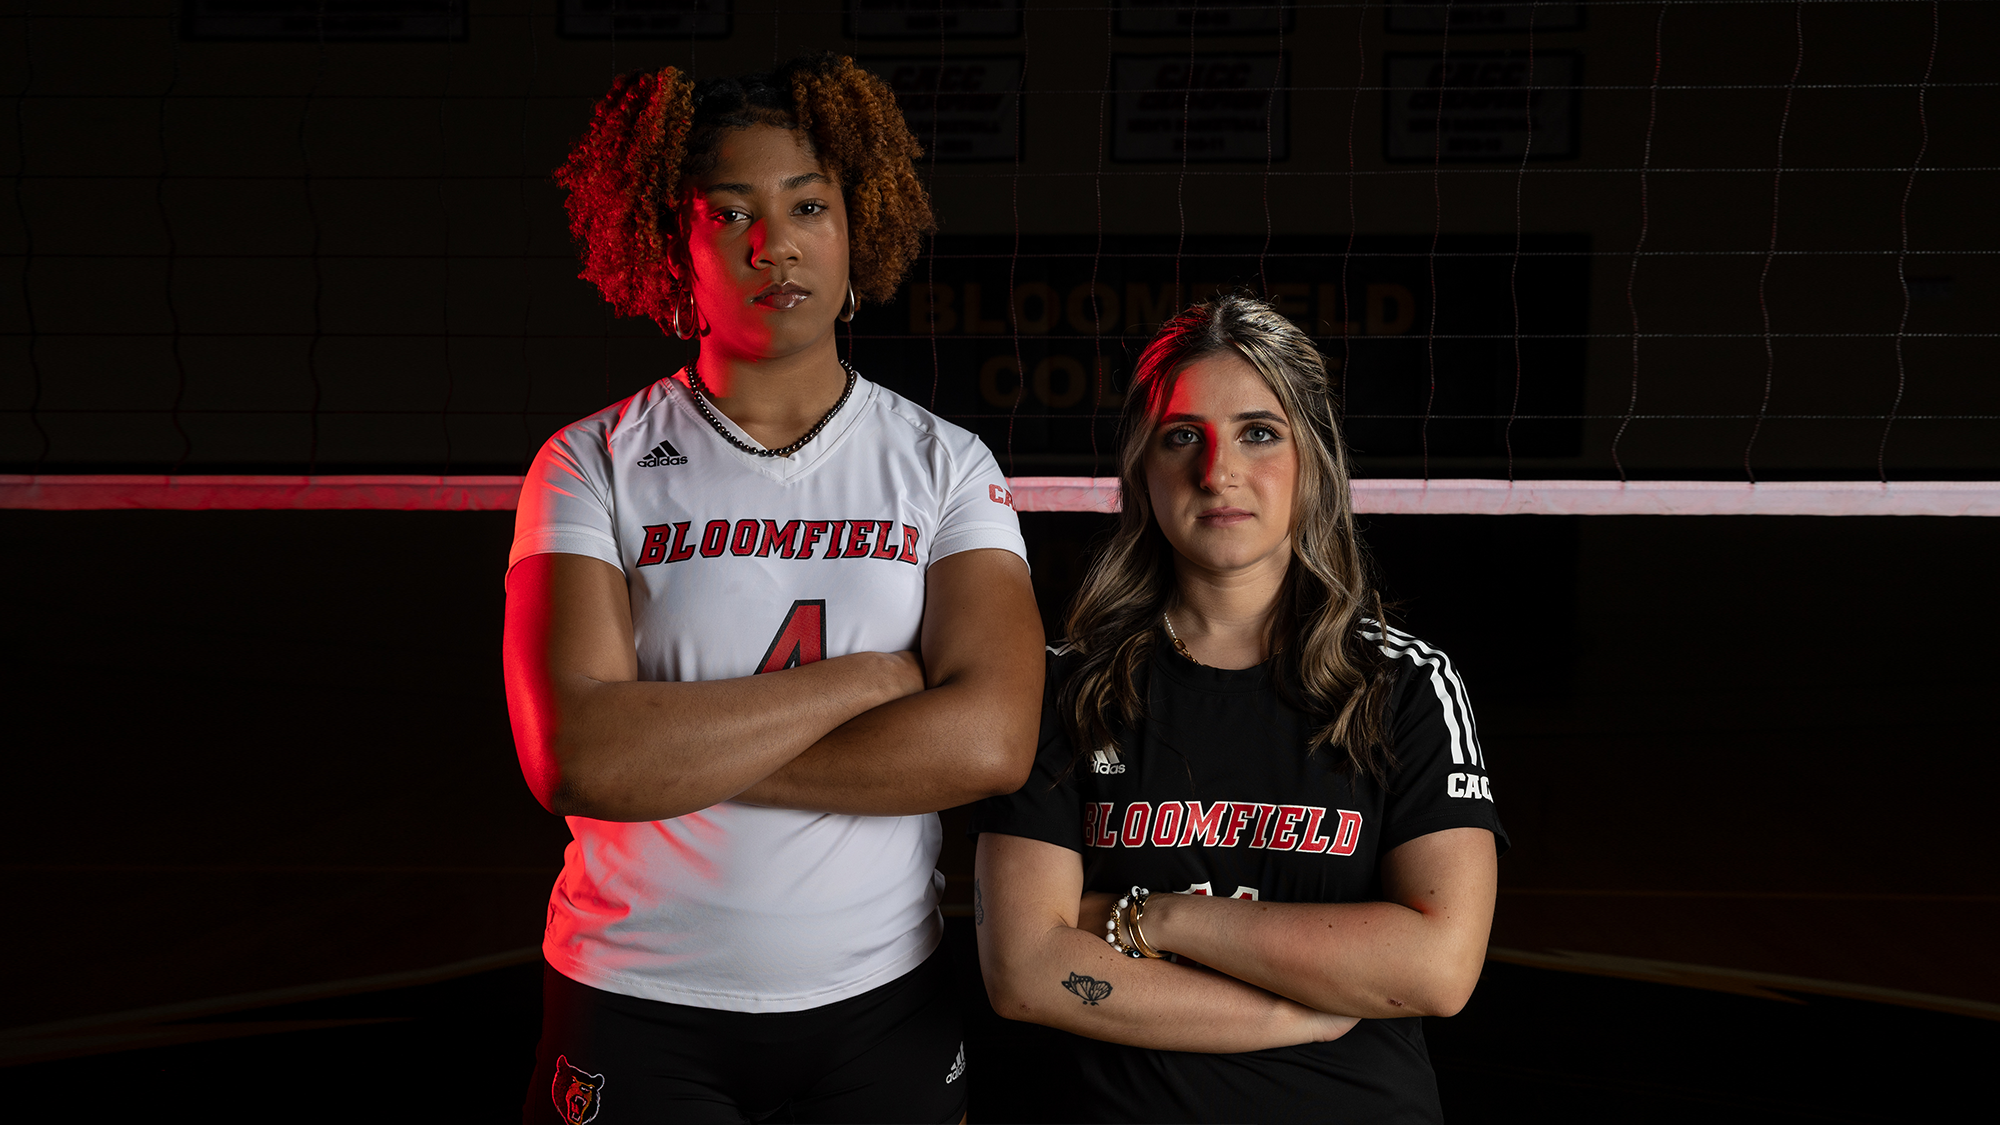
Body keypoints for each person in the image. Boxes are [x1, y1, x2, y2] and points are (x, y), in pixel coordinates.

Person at [504, 54, 1043, 1124]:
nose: (775, 245)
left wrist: (670, 759)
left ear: (859, 226)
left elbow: (987, 742)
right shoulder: (585, 464)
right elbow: (575, 756)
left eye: (809, 206)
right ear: (677, 242)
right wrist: (876, 680)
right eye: (729, 213)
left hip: (877, 1006)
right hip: (633, 1000)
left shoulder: (944, 463)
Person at [971, 293, 1506, 1123]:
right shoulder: (1064, 691)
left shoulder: (1404, 686)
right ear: (1143, 469)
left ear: (1313, 460)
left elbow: (1437, 967)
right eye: (1183, 436)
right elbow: (1028, 974)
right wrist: (1293, 1012)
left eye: (1259, 432)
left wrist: (1154, 919)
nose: (1217, 471)